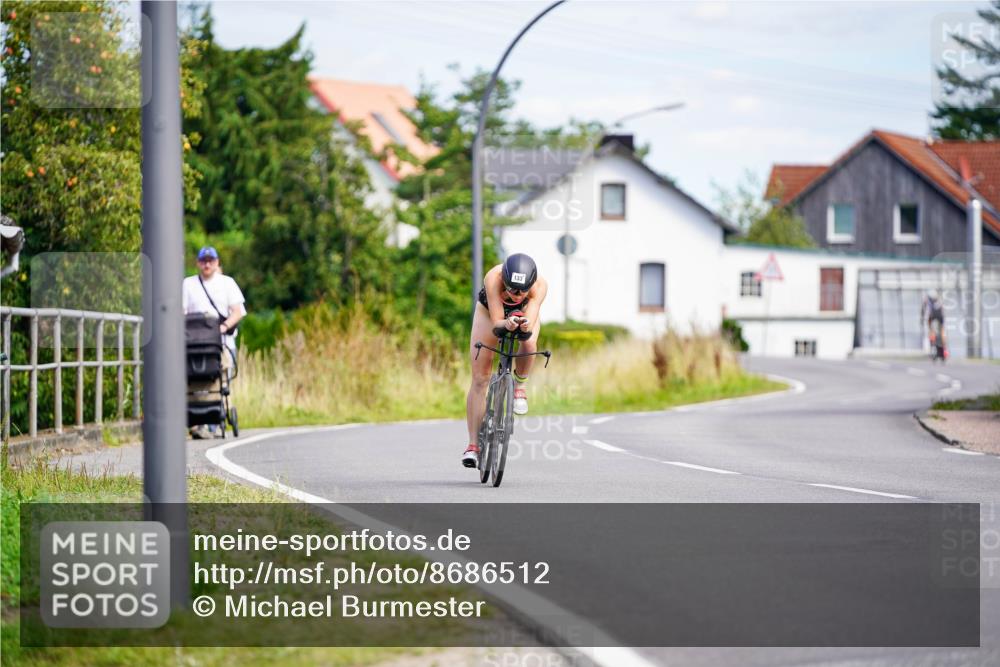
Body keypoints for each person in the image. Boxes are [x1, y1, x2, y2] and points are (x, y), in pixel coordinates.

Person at [462, 253, 548, 468]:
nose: (516, 295)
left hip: (524, 314)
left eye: (522, 291)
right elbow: (497, 322)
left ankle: (519, 387)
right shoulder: (494, 277)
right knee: (480, 378)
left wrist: (524, 325)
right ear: (505, 280)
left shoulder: (540, 285)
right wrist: (507, 324)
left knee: (529, 344)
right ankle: (473, 446)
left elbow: (530, 320)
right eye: (511, 289)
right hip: (490, 313)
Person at [182, 246, 246, 438]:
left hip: (221, 341)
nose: (207, 264)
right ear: (198, 263)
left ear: (217, 262)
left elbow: (237, 311)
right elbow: (182, 311)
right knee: (193, 378)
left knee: (222, 378)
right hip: (195, 343)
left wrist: (224, 327)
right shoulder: (188, 284)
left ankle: (216, 419)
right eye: (204, 261)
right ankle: (197, 422)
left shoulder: (227, 283)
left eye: (210, 261)